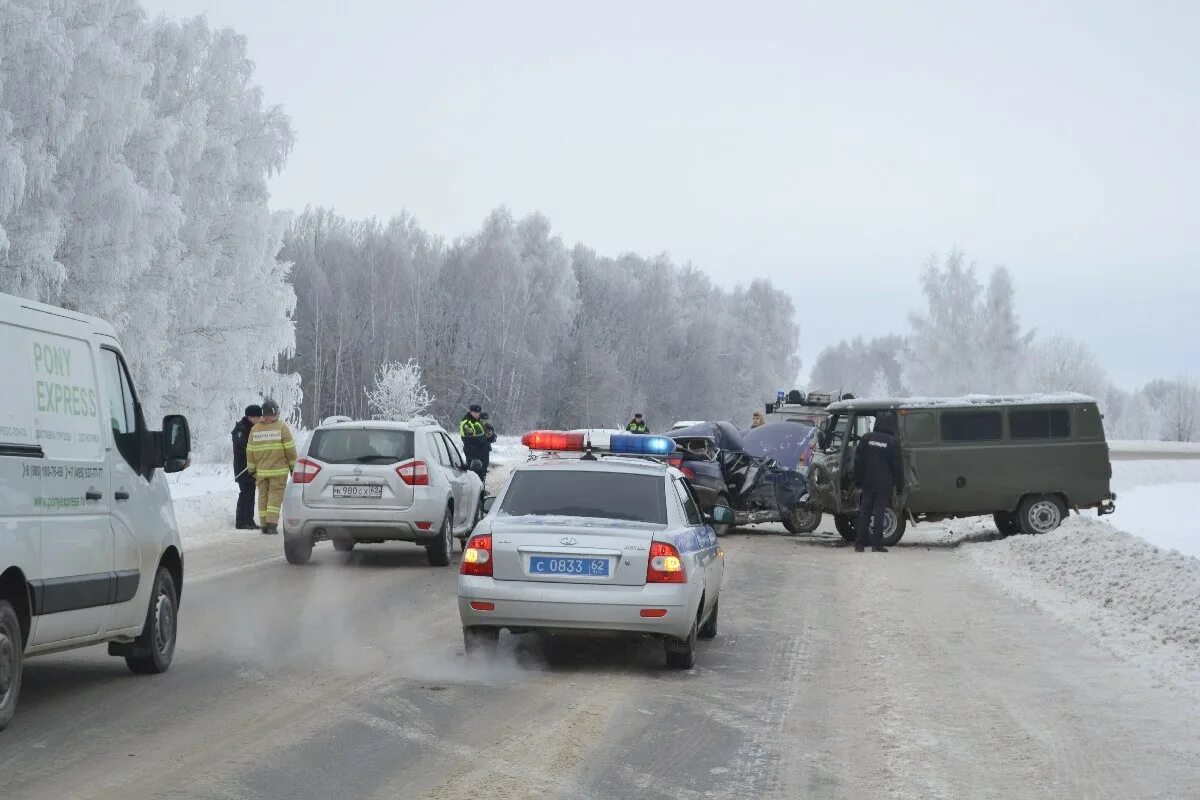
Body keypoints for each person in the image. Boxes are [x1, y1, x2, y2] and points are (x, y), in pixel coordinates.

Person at [853, 411, 905, 553]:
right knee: (879, 512)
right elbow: (898, 467)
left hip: (868, 482)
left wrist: (857, 480)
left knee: (865, 512)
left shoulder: (866, 438)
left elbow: (858, 462)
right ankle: (876, 545)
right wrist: (900, 487)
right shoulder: (892, 442)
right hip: (884, 484)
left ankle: (859, 544)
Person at [246, 398, 296, 535]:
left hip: (261, 471)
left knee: (263, 496)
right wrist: (293, 468)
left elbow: (249, 451)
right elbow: (290, 450)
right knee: (275, 496)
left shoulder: (255, 429)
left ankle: (263, 525)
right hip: (278, 471)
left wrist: (251, 469)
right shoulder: (281, 427)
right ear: (274, 413)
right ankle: (271, 525)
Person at [232, 404, 263, 530]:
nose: (260, 419)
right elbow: (241, 447)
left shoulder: (252, 428)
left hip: (251, 467)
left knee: (251, 493)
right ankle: (240, 521)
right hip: (242, 468)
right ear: (251, 417)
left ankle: (249, 520)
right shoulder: (241, 429)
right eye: (258, 417)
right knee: (245, 493)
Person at [460, 404, 489, 480]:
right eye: (475, 412)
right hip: (473, 451)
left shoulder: (477, 422)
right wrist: (483, 442)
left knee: (482, 474)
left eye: (478, 412)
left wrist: (488, 437)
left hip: (481, 451)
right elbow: (470, 439)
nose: (477, 414)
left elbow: (483, 435)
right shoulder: (467, 423)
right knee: (474, 475)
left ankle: (481, 488)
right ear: (471, 412)